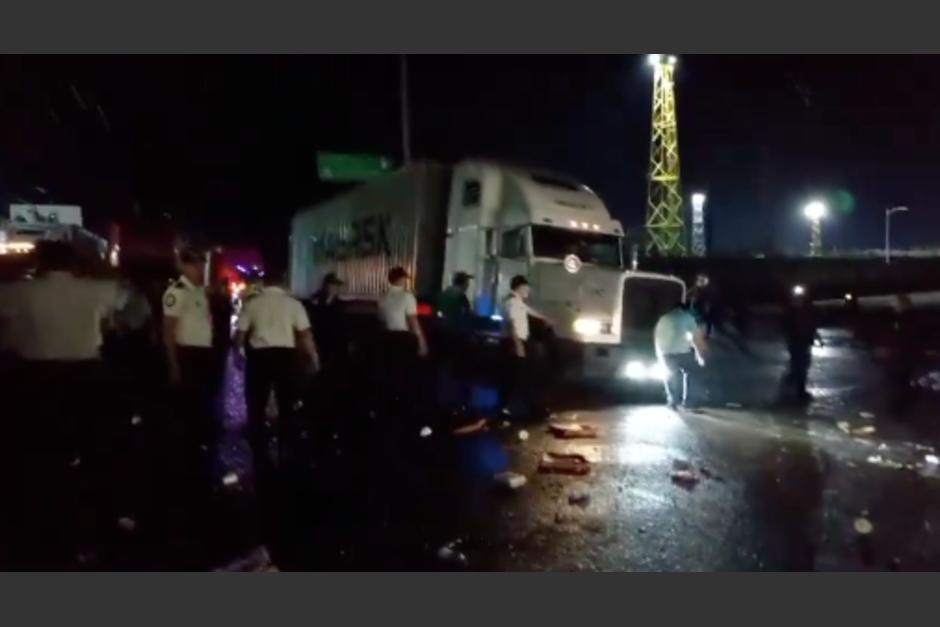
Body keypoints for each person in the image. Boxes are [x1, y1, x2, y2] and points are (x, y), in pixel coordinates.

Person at [0, 241, 123, 565]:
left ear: (40, 260)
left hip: (35, 377)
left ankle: (39, 512)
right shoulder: (97, 290)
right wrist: (95, 262)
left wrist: (19, 262)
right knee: (88, 446)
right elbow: (123, 291)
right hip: (85, 375)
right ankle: (87, 514)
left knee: (38, 449)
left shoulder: (20, 292)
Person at [234, 266, 319, 496]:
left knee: (256, 403)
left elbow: (240, 335)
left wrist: (238, 357)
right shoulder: (294, 305)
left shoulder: (253, 304)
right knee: (286, 401)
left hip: (260, 358)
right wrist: (313, 358)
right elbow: (305, 335)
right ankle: (286, 447)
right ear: (283, 284)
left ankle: (258, 450)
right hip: (285, 357)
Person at [162, 248, 217, 469]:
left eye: (202, 264)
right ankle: (184, 452)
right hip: (187, 353)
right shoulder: (177, 292)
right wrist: (173, 364)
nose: (200, 269)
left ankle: (196, 445)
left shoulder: (198, 291)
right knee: (188, 404)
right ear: (183, 266)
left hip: (202, 353)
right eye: (195, 264)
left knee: (201, 402)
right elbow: (168, 330)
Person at [377, 266, 428, 422]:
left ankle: (389, 406)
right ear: (400, 279)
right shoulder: (407, 297)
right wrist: (421, 341)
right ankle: (403, 409)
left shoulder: (382, 297)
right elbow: (413, 321)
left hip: (387, 337)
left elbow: (381, 321)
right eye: (404, 278)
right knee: (405, 374)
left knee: (390, 373)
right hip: (404, 338)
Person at [500, 275, 552, 418]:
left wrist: (544, 318)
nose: (528, 291)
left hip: (515, 342)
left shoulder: (516, 301)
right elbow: (512, 323)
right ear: (520, 287)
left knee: (518, 376)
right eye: (527, 288)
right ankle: (510, 408)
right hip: (515, 342)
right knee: (517, 377)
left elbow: (529, 311)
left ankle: (512, 407)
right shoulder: (513, 303)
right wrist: (518, 345)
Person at [654, 299, 706, 410]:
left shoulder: (663, 319)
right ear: (684, 309)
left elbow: (657, 337)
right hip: (683, 352)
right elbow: (696, 338)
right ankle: (689, 402)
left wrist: (659, 355)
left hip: (666, 353)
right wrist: (700, 356)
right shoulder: (688, 318)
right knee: (692, 374)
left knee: (670, 375)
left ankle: (672, 400)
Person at [435, 272, 475, 416]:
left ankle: (440, 397)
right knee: (457, 368)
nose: (468, 286)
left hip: (441, 333)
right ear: (464, 283)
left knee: (443, 365)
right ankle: (454, 401)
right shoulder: (460, 296)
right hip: (457, 335)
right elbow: (469, 315)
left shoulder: (442, 294)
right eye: (467, 283)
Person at [780, 286, 820, 403]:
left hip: (803, 341)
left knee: (802, 365)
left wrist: (814, 336)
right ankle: (795, 389)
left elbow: (812, 324)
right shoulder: (791, 311)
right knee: (798, 365)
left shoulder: (806, 310)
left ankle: (796, 389)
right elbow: (786, 326)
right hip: (796, 341)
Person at [884, 294, 922, 412]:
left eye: (896, 303)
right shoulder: (905, 318)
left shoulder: (906, 319)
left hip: (904, 357)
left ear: (903, 305)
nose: (894, 306)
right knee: (901, 381)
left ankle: (901, 408)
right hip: (904, 356)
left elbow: (904, 338)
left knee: (900, 382)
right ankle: (902, 406)